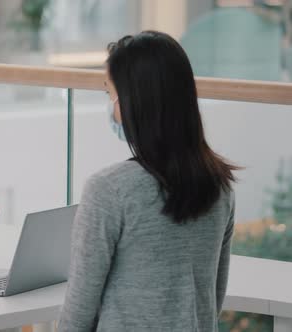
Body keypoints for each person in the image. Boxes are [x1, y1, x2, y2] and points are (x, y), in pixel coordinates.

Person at [58, 31, 237, 331]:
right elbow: (212, 299)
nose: (111, 107)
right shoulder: (220, 186)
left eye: (109, 94)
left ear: (132, 102)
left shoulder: (109, 190)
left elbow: (78, 312)